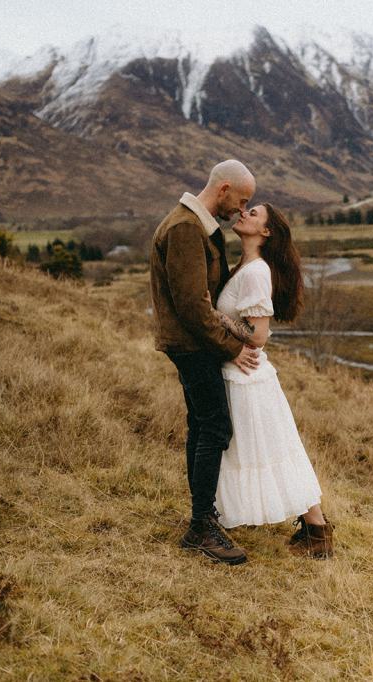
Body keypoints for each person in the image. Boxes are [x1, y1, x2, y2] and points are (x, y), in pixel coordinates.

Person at [148, 160, 259, 565]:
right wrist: (232, 349)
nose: (241, 209)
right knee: (214, 427)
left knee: (202, 425)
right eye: (241, 200)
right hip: (192, 345)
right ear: (224, 188)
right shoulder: (184, 229)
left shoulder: (197, 226)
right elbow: (194, 306)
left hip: (195, 344)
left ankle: (202, 517)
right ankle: (200, 526)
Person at [211, 202, 335, 558]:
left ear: (266, 232)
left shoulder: (255, 272)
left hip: (247, 378)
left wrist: (215, 317)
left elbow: (258, 334)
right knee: (271, 450)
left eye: (254, 214)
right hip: (247, 376)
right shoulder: (248, 267)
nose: (244, 213)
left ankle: (317, 531)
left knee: (271, 451)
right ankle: (316, 529)